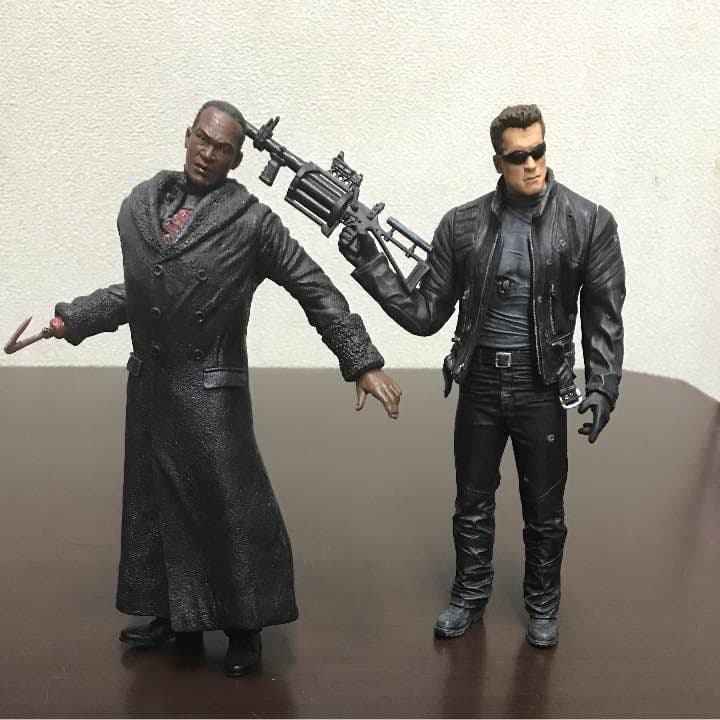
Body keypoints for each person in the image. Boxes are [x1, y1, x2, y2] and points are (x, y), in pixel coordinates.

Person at [47, 100, 402, 676]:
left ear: (238, 160)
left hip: (210, 393)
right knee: (152, 505)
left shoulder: (252, 223)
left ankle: (245, 626)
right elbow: (140, 293)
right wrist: (74, 318)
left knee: (232, 510)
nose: (208, 154)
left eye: (223, 149)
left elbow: (313, 287)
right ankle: (169, 612)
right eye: (203, 140)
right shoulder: (141, 207)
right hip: (152, 388)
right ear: (187, 135)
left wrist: (360, 359)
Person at [338, 104, 625, 648]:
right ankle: (470, 595)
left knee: (545, 508)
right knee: (471, 501)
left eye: (539, 151)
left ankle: (543, 605)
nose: (532, 164)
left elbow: (604, 314)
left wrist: (603, 384)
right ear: (498, 161)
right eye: (518, 156)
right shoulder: (463, 225)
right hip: (481, 385)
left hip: (542, 386)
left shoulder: (587, 222)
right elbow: (425, 314)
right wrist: (371, 262)